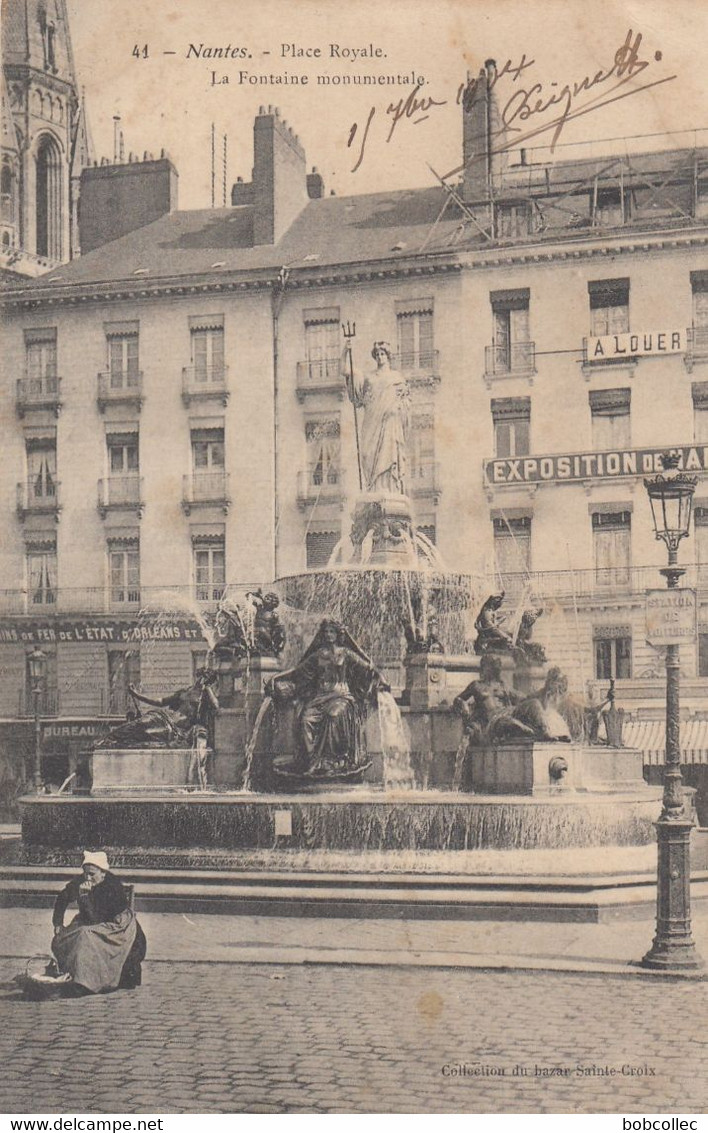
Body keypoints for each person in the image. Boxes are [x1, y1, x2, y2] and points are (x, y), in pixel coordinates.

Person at [267, 619, 389, 778]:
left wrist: (383, 680)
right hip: (320, 697)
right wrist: (276, 678)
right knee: (306, 720)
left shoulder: (346, 653)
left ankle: (332, 762)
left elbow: (369, 668)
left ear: (338, 634)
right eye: (326, 632)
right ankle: (313, 762)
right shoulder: (317, 655)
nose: (328, 635)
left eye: (332, 632)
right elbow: (297, 671)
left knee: (333, 716)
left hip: (342, 697)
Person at [49, 851, 146, 994]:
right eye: (85, 873)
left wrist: (85, 897)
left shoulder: (112, 887)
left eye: (92, 874)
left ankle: (86, 982)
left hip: (116, 925)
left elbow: (98, 918)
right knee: (63, 937)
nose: (87, 877)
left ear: (103, 873)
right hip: (90, 920)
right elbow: (63, 897)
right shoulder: (81, 881)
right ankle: (71, 975)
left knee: (85, 936)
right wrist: (58, 923)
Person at [346, 340, 410, 496]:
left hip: (390, 422)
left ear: (388, 357)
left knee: (388, 453)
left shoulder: (397, 378)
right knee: (369, 454)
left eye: (383, 354)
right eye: (378, 354)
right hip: (371, 421)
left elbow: (406, 402)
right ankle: (373, 487)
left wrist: (397, 408)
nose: (380, 357)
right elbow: (347, 373)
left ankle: (389, 487)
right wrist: (345, 352)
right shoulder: (368, 377)